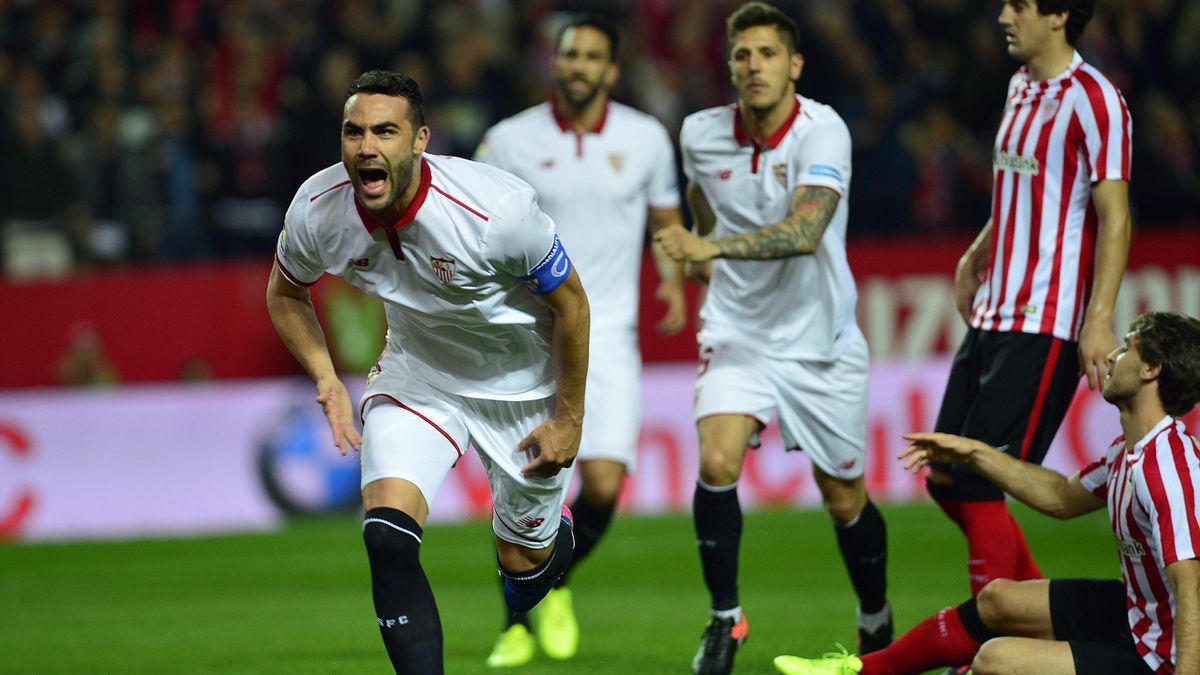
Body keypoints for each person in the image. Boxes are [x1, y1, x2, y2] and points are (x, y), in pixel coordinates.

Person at [265, 70, 591, 674]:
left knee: (525, 575)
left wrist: (568, 418)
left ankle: (548, 539)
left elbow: (571, 304)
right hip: (418, 376)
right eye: (353, 132)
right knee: (386, 537)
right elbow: (285, 294)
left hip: (522, 387)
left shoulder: (497, 212)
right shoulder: (317, 209)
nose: (367, 148)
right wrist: (326, 377)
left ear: (420, 141)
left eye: (385, 132)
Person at [654, 3, 891, 673]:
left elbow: (806, 231)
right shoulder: (699, 133)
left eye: (766, 54)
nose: (753, 66)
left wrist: (710, 244)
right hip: (737, 328)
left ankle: (875, 616)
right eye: (741, 55)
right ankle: (726, 620)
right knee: (718, 461)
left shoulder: (822, 131)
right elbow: (704, 205)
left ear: (795, 65)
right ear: (729, 66)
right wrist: (697, 256)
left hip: (820, 337)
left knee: (843, 494)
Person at [774, 311, 1200, 675]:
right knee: (998, 598)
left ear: (1151, 370)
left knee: (996, 659)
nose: (1112, 354)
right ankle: (862, 670)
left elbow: (1191, 587)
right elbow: (1061, 496)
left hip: (1163, 657)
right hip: (1137, 615)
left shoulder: (1169, 467)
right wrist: (974, 453)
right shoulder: (1130, 451)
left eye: (1127, 348)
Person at [473, 14, 687, 667]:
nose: (578, 66)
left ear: (611, 70)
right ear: (554, 62)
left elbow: (666, 216)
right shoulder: (508, 141)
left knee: (602, 483)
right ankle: (516, 620)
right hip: (528, 332)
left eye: (592, 56)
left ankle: (551, 585)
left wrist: (674, 280)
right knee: (528, 479)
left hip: (612, 330)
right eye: (570, 55)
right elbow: (470, 219)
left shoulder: (647, 138)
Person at [926, 0, 1132, 601]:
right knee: (945, 472)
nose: (1002, 16)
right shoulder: (1019, 86)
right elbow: (1021, 189)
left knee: (981, 481)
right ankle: (1035, 608)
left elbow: (1114, 217)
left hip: (1047, 322)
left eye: (1018, 5)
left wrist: (1097, 321)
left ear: (1059, 15)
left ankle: (987, 637)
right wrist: (976, 253)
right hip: (995, 309)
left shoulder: (1096, 100)